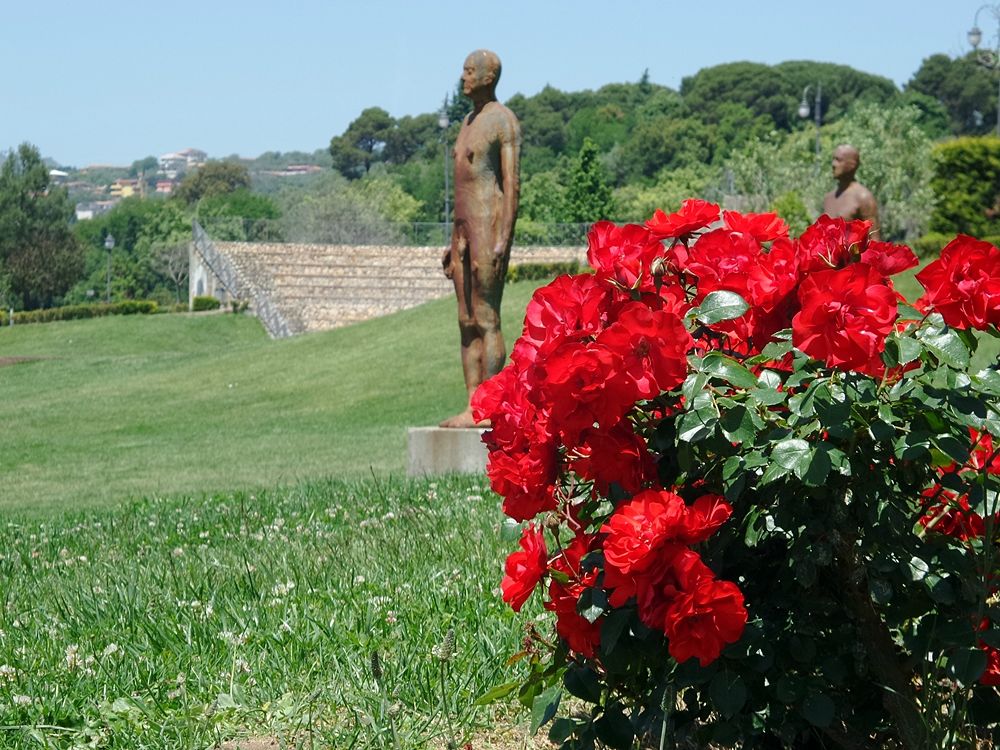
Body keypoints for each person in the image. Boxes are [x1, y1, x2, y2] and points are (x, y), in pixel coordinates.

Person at [440, 50, 521, 428]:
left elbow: (511, 184)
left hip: (488, 231)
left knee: (486, 317)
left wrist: (503, 239)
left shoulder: (503, 121)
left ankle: (489, 406)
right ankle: (473, 403)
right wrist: (451, 242)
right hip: (463, 233)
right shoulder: (468, 122)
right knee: (465, 319)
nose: (463, 78)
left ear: (489, 77)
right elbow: (462, 188)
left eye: (469, 71)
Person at [822, 144, 880, 240]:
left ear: (852, 165)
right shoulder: (828, 198)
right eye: (833, 160)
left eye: (838, 160)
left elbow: (874, 239)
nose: (833, 164)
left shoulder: (863, 197)